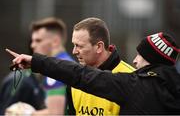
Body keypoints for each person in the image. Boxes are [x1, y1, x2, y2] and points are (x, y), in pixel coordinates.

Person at [6, 32, 180, 115]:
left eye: (140, 55)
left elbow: (81, 75)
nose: (135, 60)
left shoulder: (134, 85)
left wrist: (36, 62)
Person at [67, 17, 135, 115]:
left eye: (80, 46)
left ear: (99, 47)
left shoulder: (132, 79)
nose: (74, 51)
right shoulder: (75, 78)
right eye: (74, 45)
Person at [29, 17, 73, 115]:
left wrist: (26, 113)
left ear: (55, 41)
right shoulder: (69, 63)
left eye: (38, 40)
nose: (32, 45)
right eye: (32, 40)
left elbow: (55, 114)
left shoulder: (55, 70)